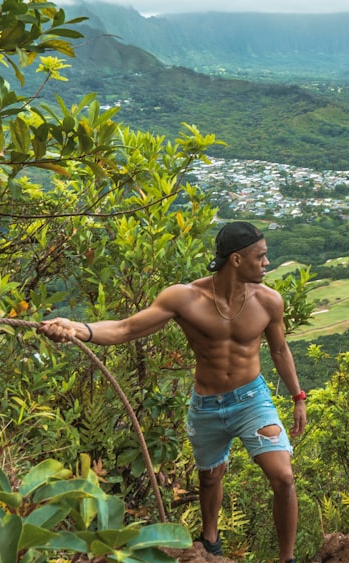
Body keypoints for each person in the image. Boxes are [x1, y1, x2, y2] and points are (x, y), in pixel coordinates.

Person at [39, 221, 307, 563]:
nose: (267, 263)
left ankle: (287, 559)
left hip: (251, 399)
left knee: (283, 477)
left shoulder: (269, 302)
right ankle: (210, 541)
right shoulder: (185, 298)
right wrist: (78, 328)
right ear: (237, 260)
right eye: (261, 257)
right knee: (210, 477)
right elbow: (125, 328)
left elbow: (280, 351)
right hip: (206, 404)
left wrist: (298, 397)